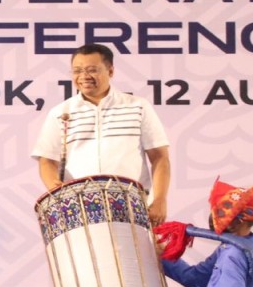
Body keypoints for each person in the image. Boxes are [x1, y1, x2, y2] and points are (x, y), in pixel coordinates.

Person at [32, 44, 171, 226]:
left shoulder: (137, 106)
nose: (83, 77)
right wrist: (57, 191)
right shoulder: (60, 112)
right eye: (77, 71)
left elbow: (160, 157)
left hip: (133, 205)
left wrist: (160, 200)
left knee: (132, 255)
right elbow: (47, 160)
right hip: (79, 207)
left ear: (110, 71)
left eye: (92, 70)